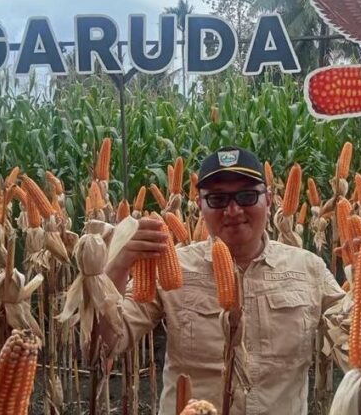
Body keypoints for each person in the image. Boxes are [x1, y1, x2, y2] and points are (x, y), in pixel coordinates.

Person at [104, 146, 345, 414]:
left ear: (269, 199)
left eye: (247, 196)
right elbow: (109, 342)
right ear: (200, 205)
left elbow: (354, 339)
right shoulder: (172, 267)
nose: (233, 210)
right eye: (217, 199)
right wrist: (118, 265)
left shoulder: (308, 269)